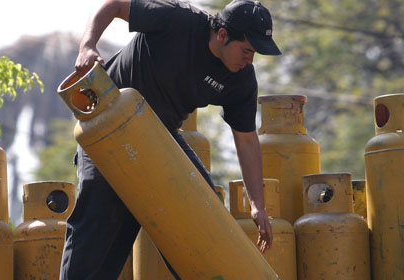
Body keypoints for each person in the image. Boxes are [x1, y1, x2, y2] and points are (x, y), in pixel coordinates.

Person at [60, 0, 281, 278]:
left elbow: (247, 141)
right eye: (247, 50)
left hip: (161, 136)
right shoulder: (178, 19)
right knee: (100, 221)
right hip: (108, 125)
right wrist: (87, 46)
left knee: (201, 212)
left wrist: (258, 205)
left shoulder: (241, 79)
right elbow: (115, 4)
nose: (250, 59)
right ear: (223, 35)